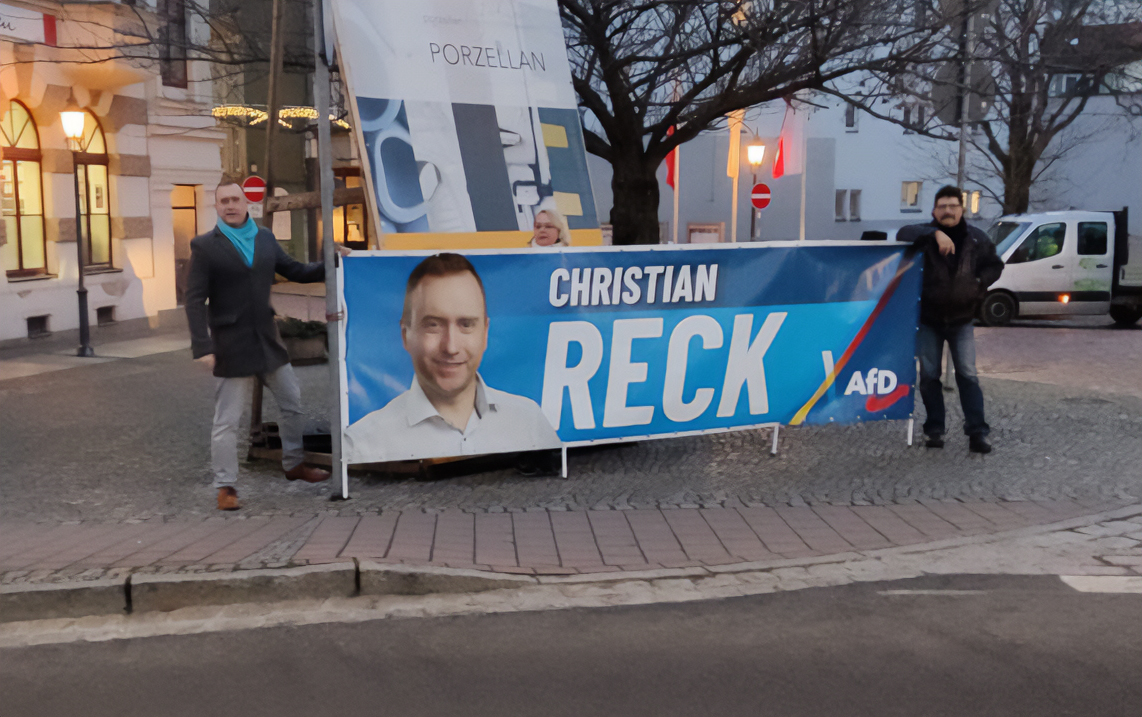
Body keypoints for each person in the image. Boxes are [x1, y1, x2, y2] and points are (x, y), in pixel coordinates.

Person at [186, 178, 337, 511]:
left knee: (293, 402)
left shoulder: (265, 239)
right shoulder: (205, 246)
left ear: (245, 204)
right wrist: (203, 346)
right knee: (227, 420)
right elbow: (194, 300)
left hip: (267, 339)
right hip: (230, 344)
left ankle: (294, 464)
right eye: (223, 200)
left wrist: (334, 263)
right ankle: (226, 486)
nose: (230, 205)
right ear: (217, 206)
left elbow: (295, 271)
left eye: (234, 199)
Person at [342, 253, 561, 463]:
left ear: (485, 334)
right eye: (433, 325)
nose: (451, 347)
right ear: (405, 335)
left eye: (466, 325)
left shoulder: (530, 422)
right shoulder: (362, 444)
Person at [909, 185, 1005, 454]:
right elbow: (904, 233)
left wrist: (977, 283)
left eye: (953, 206)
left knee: (968, 376)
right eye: (943, 206)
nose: (948, 210)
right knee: (929, 377)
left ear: (962, 210)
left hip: (962, 319)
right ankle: (934, 430)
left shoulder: (976, 238)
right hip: (929, 319)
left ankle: (977, 432)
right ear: (934, 211)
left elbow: (995, 265)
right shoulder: (924, 236)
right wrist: (935, 233)